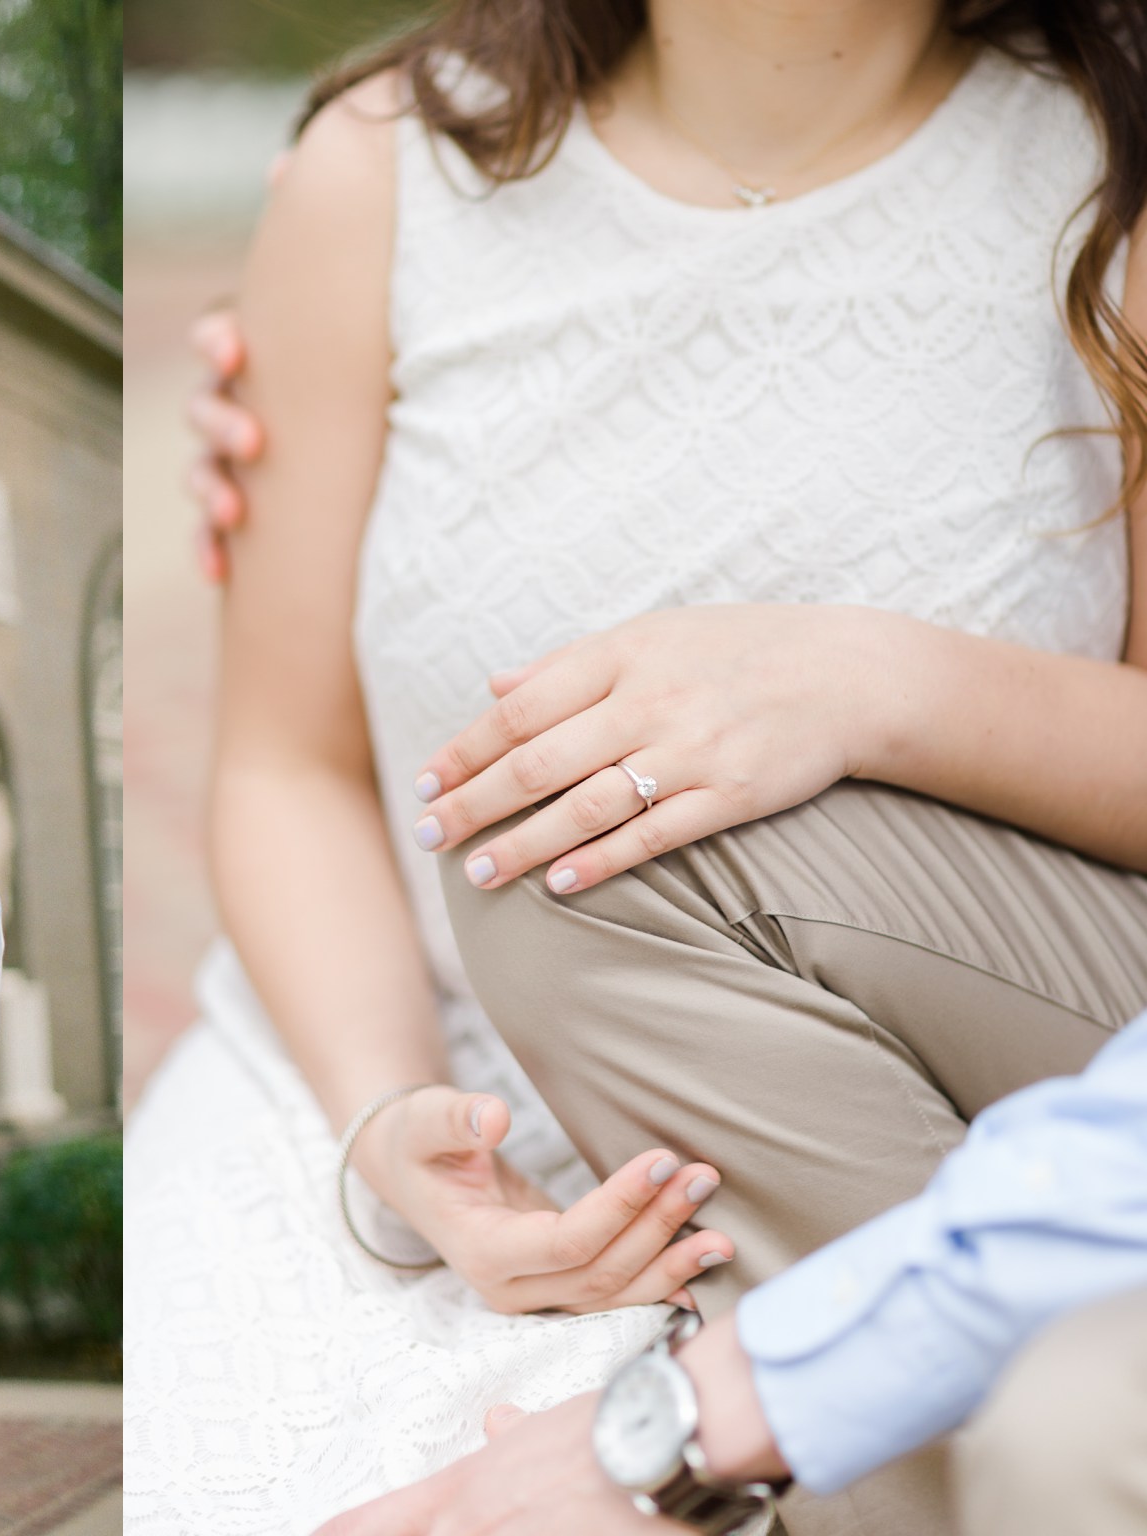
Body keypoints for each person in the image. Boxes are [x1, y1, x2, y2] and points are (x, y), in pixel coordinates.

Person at [126, 1, 1147, 1533]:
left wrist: (875, 685)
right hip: (420, 1043)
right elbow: (287, 765)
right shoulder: (380, 173)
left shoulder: (1107, 168)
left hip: (992, 1049)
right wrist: (393, 1120)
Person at [316, 1010, 1147, 1536]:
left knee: (1057, 1423)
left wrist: (691, 1425)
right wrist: (383, 1127)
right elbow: (286, 771)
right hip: (408, 1059)